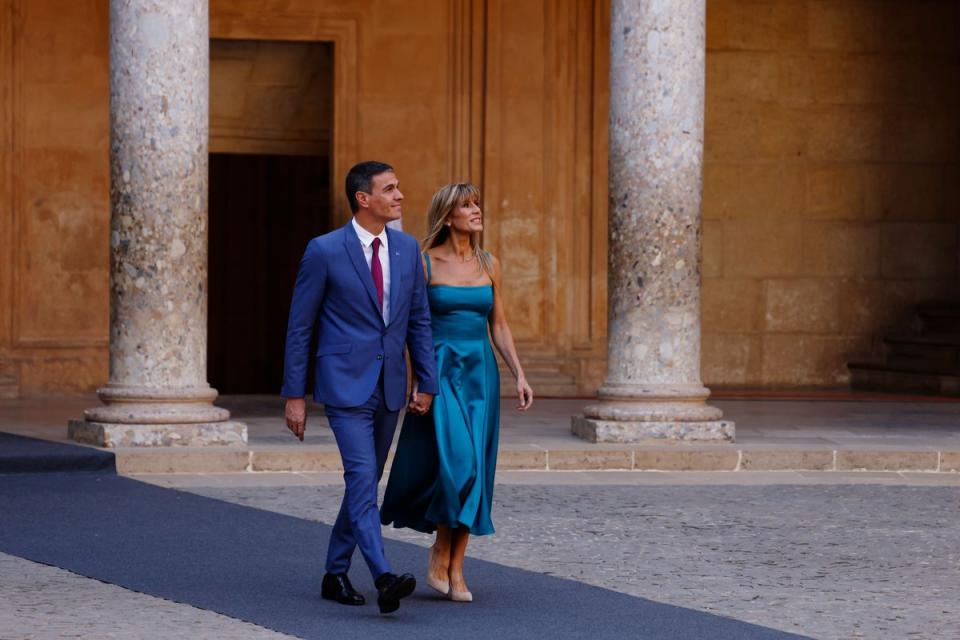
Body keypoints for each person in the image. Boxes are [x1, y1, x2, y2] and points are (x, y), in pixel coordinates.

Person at [280, 161, 438, 615]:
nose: (400, 195)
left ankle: (334, 571)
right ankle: (384, 575)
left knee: (365, 482)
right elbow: (300, 327)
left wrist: (426, 380)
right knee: (362, 479)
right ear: (362, 199)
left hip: (390, 386)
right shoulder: (324, 250)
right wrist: (295, 394)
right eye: (389, 189)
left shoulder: (408, 250)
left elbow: (419, 321)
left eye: (399, 186)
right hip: (344, 386)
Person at [381, 182, 533, 603]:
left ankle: (457, 565)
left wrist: (518, 372)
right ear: (448, 217)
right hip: (441, 372)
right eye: (467, 206)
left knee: (476, 472)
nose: (476, 210)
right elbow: (415, 327)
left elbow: (498, 324)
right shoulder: (425, 264)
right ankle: (440, 551)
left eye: (477, 203)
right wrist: (418, 380)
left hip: (480, 376)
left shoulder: (490, 262)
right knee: (458, 466)